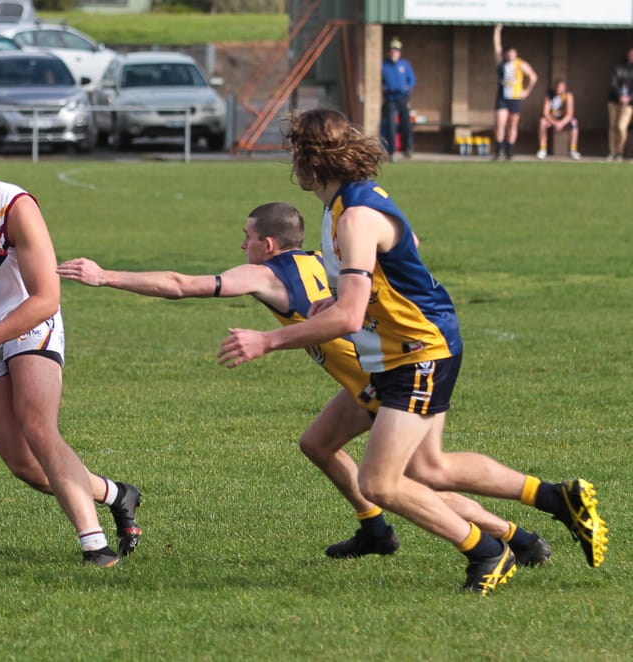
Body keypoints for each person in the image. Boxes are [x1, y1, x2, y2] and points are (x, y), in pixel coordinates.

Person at [217, 108, 608, 595]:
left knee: (381, 483)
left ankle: (488, 551)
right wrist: (340, 292)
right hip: (404, 347)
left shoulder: (354, 216)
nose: (291, 159)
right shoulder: (348, 204)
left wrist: (268, 339)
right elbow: (407, 246)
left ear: (311, 159)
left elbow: (349, 320)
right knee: (428, 468)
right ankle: (557, 499)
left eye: (295, 149)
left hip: (418, 349)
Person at [59, 202, 550, 566]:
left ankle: (516, 538)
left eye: (246, 237)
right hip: (376, 373)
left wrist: (106, 277)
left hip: (383, 383)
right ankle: (374, 529)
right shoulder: (325, 260)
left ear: (266, 245)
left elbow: (181, 284)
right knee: (317, 443)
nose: (243, 246)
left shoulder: (265, 274)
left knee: (411, 480)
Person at [0, 113, 141, 567]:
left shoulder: (16, 208)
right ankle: (117, 494)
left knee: (37, 426)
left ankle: (94, 544)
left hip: (30, 325)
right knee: (25, 466)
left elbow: (46, 299)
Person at [492, 23, 537, 161]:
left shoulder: (520, 64)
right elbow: (497, 47)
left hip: (515, 98)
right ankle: (498, 151)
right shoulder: (502, 63)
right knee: (500, 122)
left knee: (512, 124)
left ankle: (509, 151)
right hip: (503, 97)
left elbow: (533, 77)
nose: (510, 54)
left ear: (515, 53)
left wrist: (526, 91)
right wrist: (497, 31)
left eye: (512, 52)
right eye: (508, 52)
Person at [380, 37, 416, 162]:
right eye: (392, 50)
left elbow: (412, 80)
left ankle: (408, 149)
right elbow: (379, 80)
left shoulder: (404, 65)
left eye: (396, 50)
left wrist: (408, 88)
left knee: (406, 123)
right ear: (388, 51)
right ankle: (391, 152)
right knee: (391, 124)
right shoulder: (384, 65)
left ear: (399, 52)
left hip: (402, 98)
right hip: (390, 98)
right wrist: (383, 87)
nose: (394, 53)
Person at [536, 79, 580, 160]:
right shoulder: (549, 95)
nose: (558, 89)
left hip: (564, 119)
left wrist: (561, 123)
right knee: (542, 122)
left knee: (574, 122)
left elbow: (570, 114)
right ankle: (543, 149)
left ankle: (573, 150)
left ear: (564, 88)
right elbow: (545, 113)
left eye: (561, 87)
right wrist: (554, 122)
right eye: (557, 87)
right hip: (552, 118)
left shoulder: (568, 96)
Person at [606, 47, 633, 161]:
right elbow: (613, 83)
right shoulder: (619, 67)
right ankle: (612, 152)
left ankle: (619, 152)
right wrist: (620, 96)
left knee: (621, 127)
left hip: (629, 104)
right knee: (612, 127)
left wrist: (629, 98)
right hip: (614, 101)